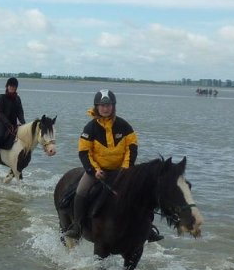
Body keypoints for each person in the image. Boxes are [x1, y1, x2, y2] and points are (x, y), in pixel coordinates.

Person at [63, 89, 162, 242]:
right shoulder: (90, 128)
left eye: (108, 105)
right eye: (102, 105)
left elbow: (132, 147)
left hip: (122, 170)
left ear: (113, 106)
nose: (105, 108)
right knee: (81, 192)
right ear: (96, 107)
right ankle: (77, 226)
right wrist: (94, 170)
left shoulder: (124, 125)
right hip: (97, 171)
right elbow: (84, 152)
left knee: (143, 192)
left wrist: (126, 167)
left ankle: (148, 229)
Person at [0, 77, 25, 165]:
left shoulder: (17, 99)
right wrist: (7, 123)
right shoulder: (1, 97)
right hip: (1, 122)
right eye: (10, 86)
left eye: (13, 86)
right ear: (7, 86)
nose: (12, 87)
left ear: (16, 87)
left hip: (13, 123)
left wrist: (23, 121)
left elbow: (20, 111)